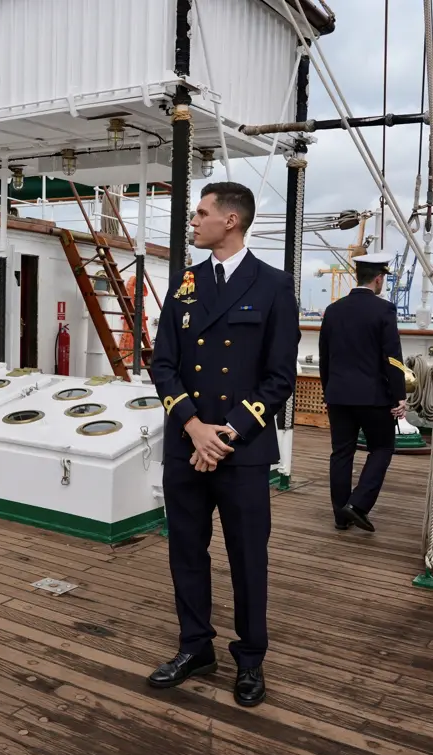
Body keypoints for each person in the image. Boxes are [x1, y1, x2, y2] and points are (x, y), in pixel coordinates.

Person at [148, 181, 300, 708]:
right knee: (186, 552)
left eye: (202, 213)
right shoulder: (185, 283)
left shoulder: (274, 286)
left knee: (246, 558)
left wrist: (225, 434)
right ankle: (195, 647)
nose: (194, 221)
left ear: (230, 221)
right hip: (186, 445)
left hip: (242, 451)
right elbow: (161, 363)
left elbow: (280, 379)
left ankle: (250, 660)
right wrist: (194, 427)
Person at [318, 251, 408, 533]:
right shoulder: (384, 310)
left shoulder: (333, 310)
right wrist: (399, 396)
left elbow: (325, 357)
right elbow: (392, 358)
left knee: (341, 452)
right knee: (382, 447)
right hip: (373, 397)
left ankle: (339, 515)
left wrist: (329, 390)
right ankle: (357, 505)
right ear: (378, 279)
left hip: (338, 394)